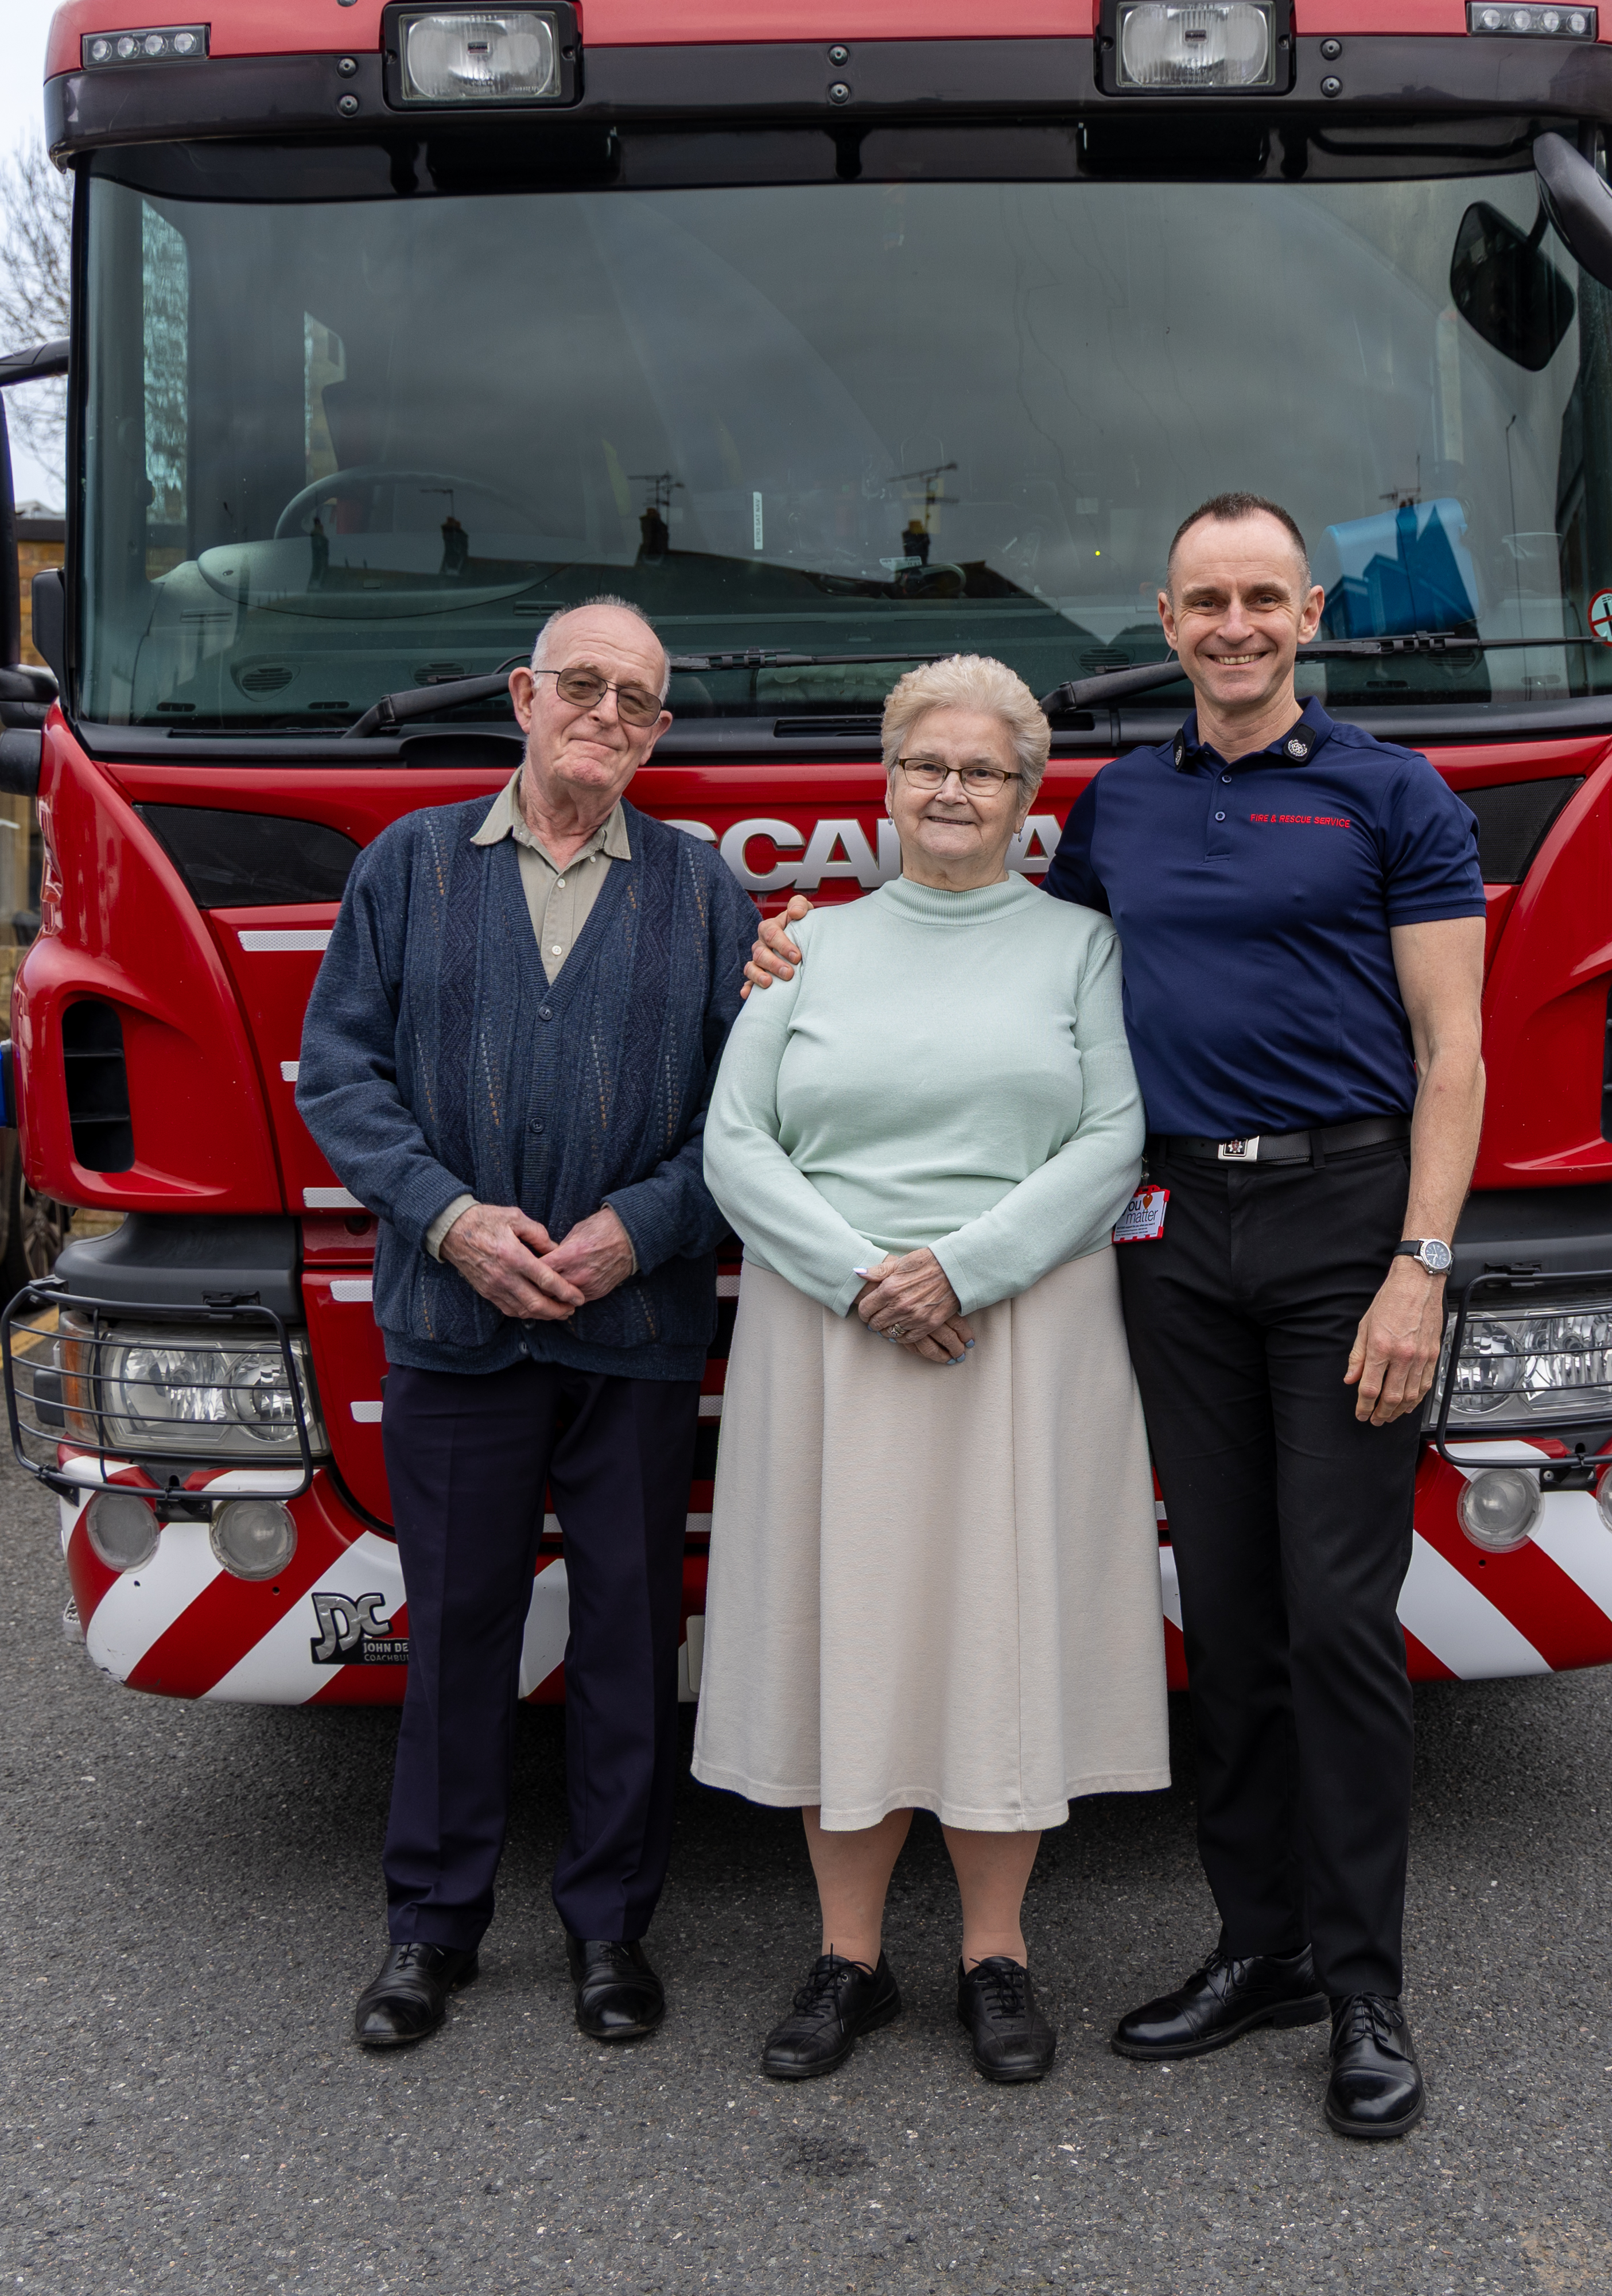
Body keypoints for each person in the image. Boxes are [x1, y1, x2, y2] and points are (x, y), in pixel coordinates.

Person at [746, 495, 1486, 2139]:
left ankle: (1367, 1994)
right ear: (1167, 620)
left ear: (1309, 614)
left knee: (1340, 1621)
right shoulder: (1121, 809)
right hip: (1168, 1229)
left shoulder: (1396, 798)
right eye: (1203, 600)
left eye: (1261, 600)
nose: (1233, 626)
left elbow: (1456, 1055)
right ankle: (1259, 1947)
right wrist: (800, 961)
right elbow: (1009, 966)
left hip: (1345, 1222)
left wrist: (1419, 1267)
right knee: (1225, 1611)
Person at [694, 656, 1165, 2088]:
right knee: (847, 1627)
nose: (950, 790)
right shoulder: (807, 945)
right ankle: (848, 1957)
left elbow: (1112, 1136)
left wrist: (965, 1265)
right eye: (925, 765)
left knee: (995, 1631)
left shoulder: (1080, 945)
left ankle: (995, 1951)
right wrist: (864, 1274)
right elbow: (734, 1140)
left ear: (1029, 797)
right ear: (886, 785)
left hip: (1016, 1329)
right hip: (832, 1331)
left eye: (982, 770)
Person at [301, 596, 757, 2054]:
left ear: (660, 729)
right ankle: (431, 1927)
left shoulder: (706, 896)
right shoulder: (410, 865)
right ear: (523, 693)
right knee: (457, 1638)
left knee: (630, 1634)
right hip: (455, 1323)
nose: (609, 715)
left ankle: (612, 1927)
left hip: (634, 1332)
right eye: (584, 685)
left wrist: (646, 1226)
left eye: (639, 698)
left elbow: (746, 1120)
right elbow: (341, 1079)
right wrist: (452, 1220)